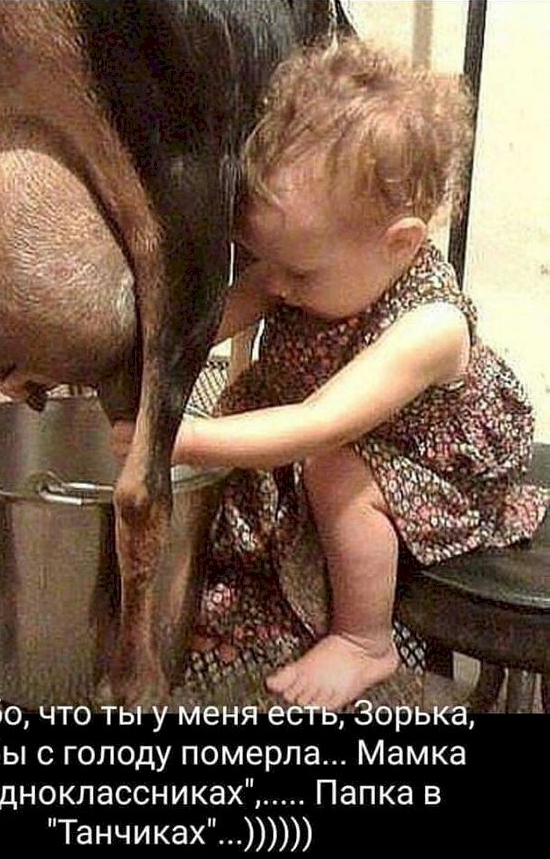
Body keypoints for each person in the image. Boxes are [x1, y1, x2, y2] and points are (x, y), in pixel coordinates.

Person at [112, 38, 550, 710]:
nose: (276, 285)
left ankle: (362, 639)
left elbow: (318, 426)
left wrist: (185, 438)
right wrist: (120, 358)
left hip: (425, 465)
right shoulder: (310, 265)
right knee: (249, 480)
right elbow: (202, 327)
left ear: (400, 242)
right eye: (267, 263)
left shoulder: (430, 327)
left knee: (333, 471)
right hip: (320, 438)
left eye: (297, 272)